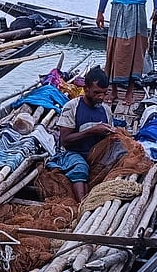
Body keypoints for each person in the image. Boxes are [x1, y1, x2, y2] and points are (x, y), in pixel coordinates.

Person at [49, 66, 115, 202]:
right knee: (80, 168)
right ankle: (82, 205)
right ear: (86, 89)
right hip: (72, 153)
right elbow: (65, 140)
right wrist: (92, 131)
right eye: (97, 93)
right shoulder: (72, 107)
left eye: (104, 93)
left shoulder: (106, 110)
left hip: (96, 154)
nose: (101, 97)